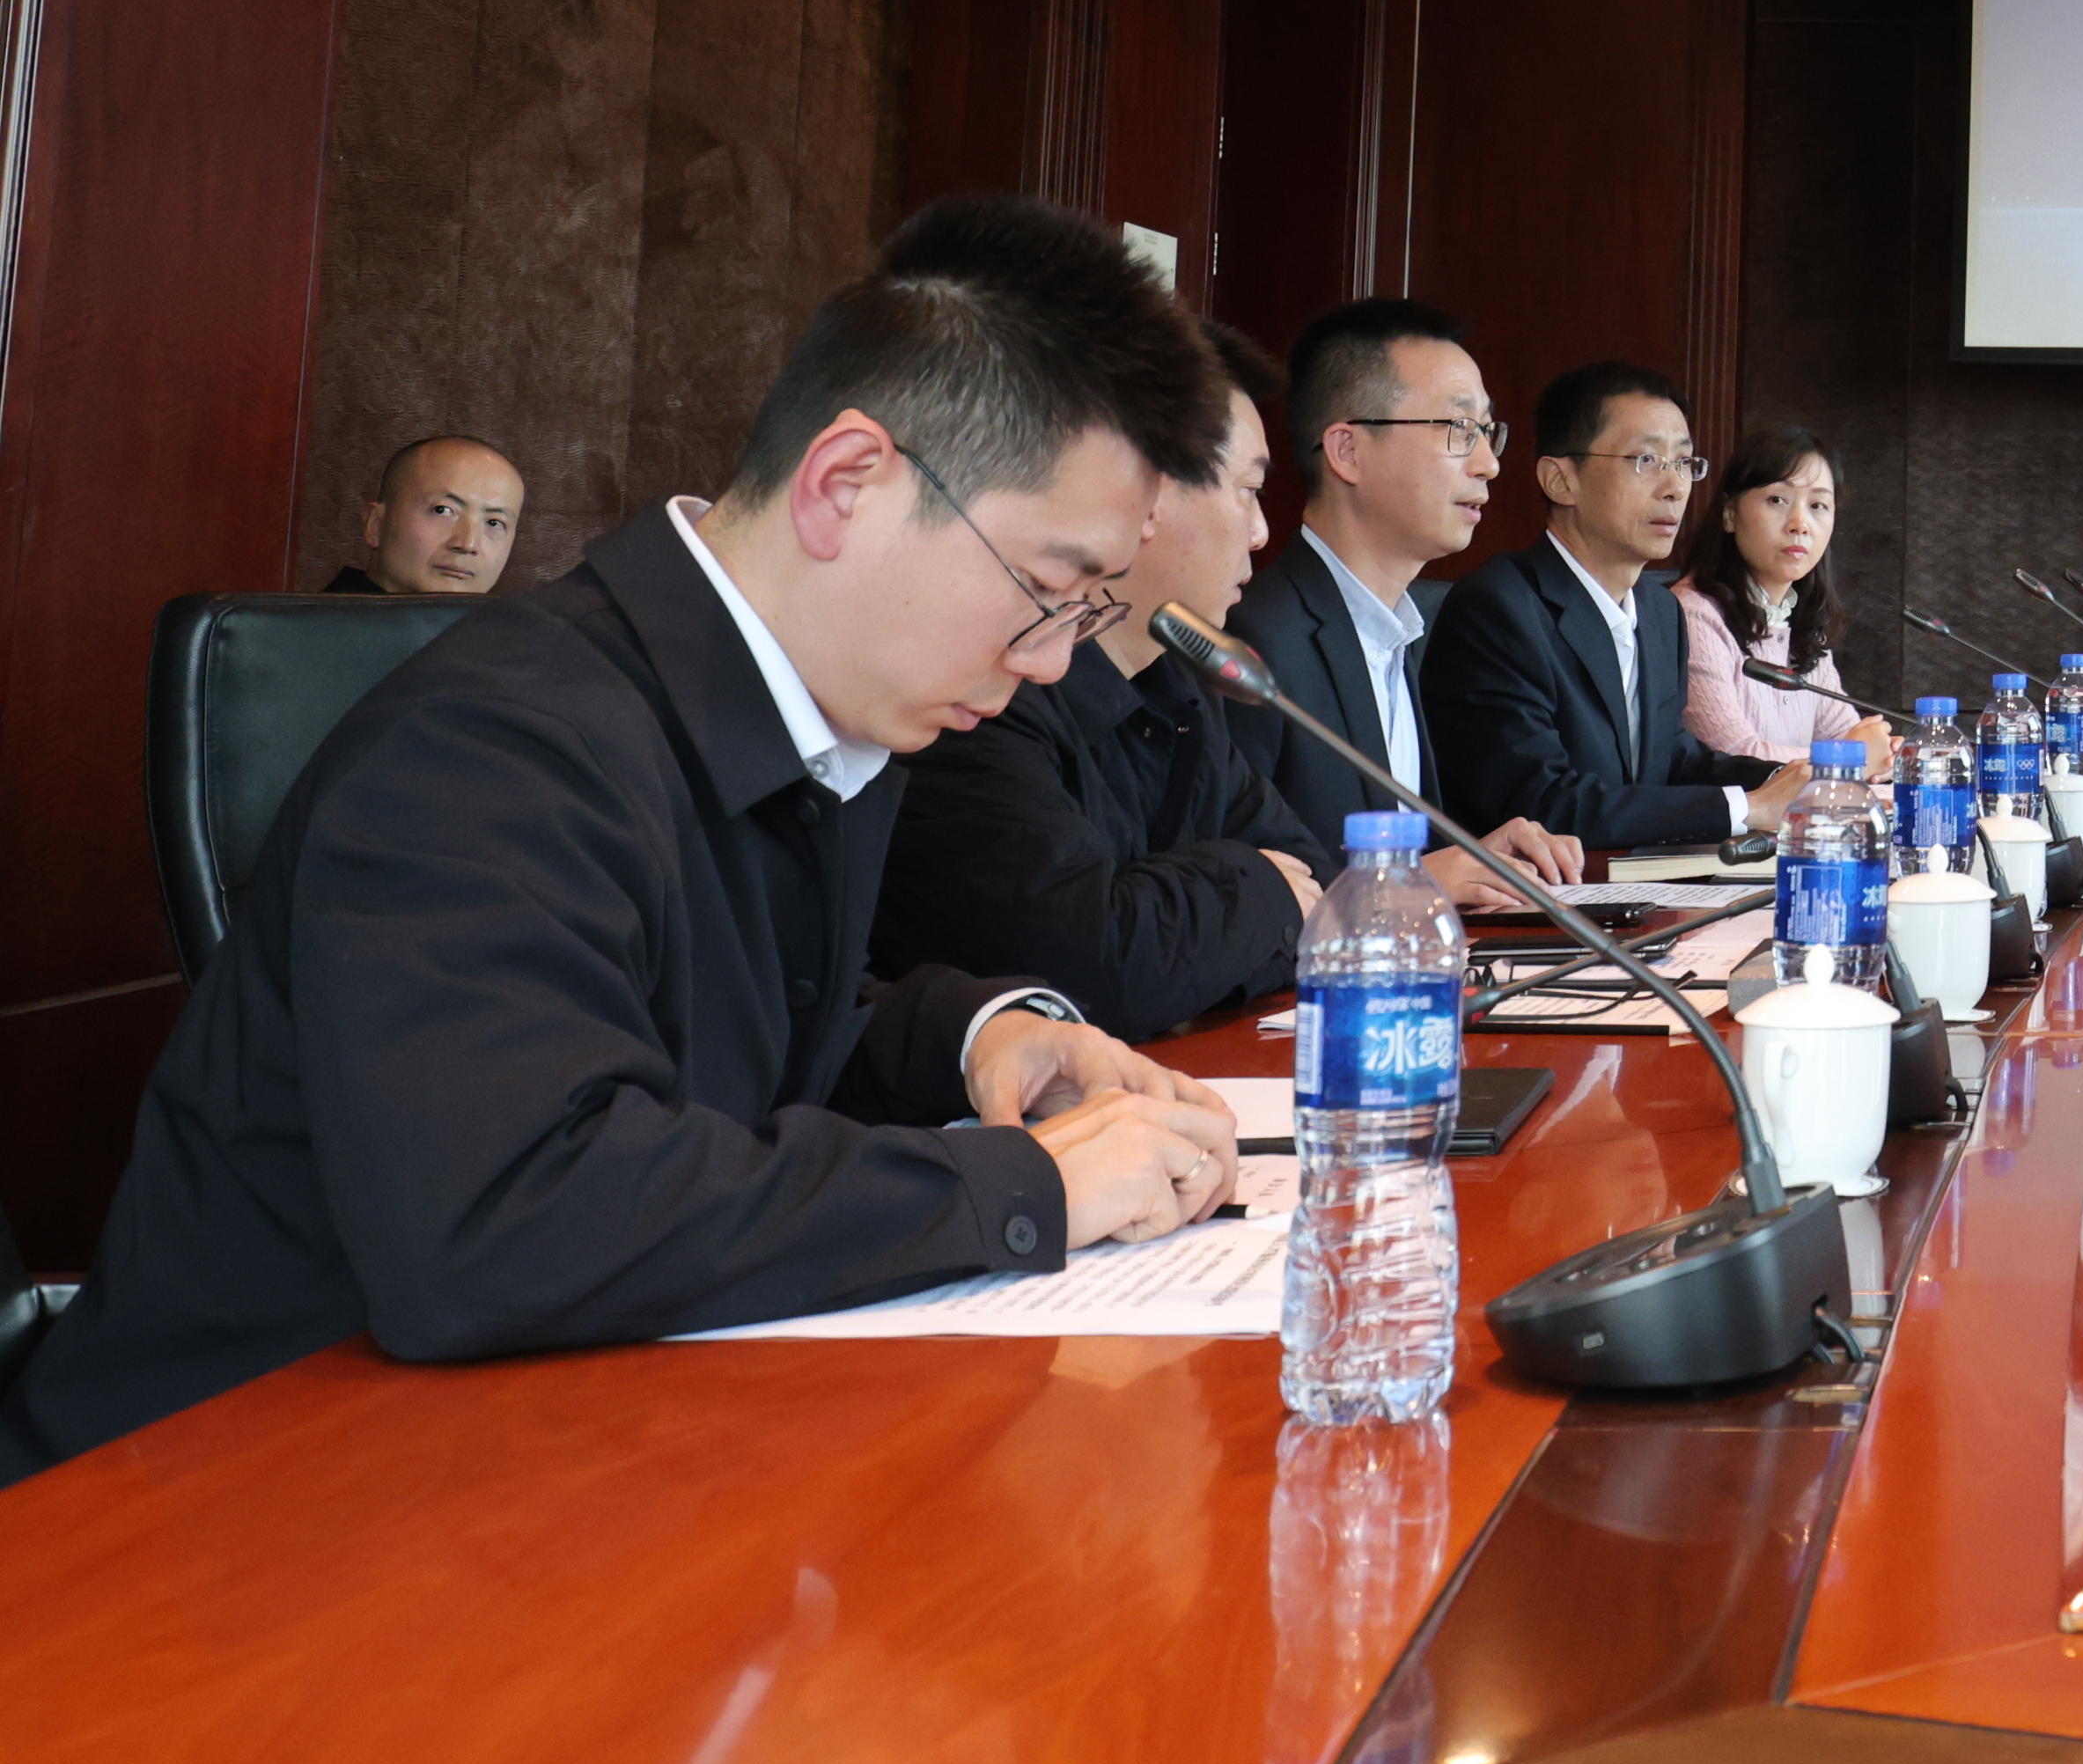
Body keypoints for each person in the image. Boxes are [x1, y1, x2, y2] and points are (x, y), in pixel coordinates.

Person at [4, 197, 1247, 1477]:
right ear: (846, 484)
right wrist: (1024, 1188)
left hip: (521, 1451)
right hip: (211, 1489)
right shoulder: (496, 744)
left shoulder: (828, 718)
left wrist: (980, 1040)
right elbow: (510, 1215)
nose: (1050, 663)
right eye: (1044, 589)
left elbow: (724, 1049)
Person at [868, 326, 1338, 1039]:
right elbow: (1093, 972)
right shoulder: (985, 692)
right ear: (1144, 495)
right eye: (1248, 491)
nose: (1260, 533)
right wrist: (1254, 888)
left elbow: (1316, 886)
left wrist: (1193, 917)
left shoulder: (1178, 688)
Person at [1424, 362, 1807, 858]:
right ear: (1561, 481)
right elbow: (1542, 804)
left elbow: (1674, 762)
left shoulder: (1660, 610)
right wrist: (1748, 808)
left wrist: (1796, 783)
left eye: (1684, 463)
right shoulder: (1498, 608)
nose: (1675, 487)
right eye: (1647, 460)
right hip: (1533, 897)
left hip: (1630, 890)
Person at [1231, 297, 1493, 844]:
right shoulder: (1255, 642)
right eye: (1461, 427)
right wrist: (1424, 875)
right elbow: (1245, 869)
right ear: (1347, 451)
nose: (1488, 463)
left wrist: (1474, 856)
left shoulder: (1401, 630)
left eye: (1488, 431)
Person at [1673, 424, 1892, 763]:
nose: (1800, 524)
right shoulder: (1694, 615)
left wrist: (1885, 757)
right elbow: (1736, 757)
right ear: (1730, 514)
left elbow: (1844, 733)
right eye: (1777, 500)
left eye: (1818, 505)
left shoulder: (1802, 625)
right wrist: (1851, 757)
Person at [325, 435, 525, 597]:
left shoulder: (506, 633)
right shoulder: (318, 629)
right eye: (442, 510)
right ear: (375, 525)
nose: (468, 544)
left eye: (494, 523)